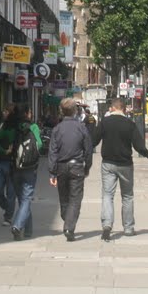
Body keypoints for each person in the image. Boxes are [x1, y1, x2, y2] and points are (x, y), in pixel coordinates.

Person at [92, 96, 148, 241]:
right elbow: (139, 146)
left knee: (108, 195)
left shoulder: (105, 122)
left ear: (113, 108)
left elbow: (93, 140)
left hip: (108, 163)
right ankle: (128, 228)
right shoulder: (130, 124)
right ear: (123, 109)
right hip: (125, 164)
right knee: (127, 196)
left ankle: (107, 225)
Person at [47, 97, 93, 242]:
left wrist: (52, 172)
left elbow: (52, 151)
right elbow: (88, 150)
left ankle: (67, 219)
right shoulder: (81, 127)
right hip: (77, 166)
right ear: (75, 111)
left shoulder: (57, 129)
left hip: (61, 167)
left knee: (64, 197)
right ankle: (69, 226)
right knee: (75, 198)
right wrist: (87, 166)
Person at [5, 104, 42, 241]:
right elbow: (39, 144)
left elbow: (5, 141)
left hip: (15, 167)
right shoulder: (33, 127)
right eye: (30, 111)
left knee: (22, 199)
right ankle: (17, 226)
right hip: (30, 168)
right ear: (27, 113)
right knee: (26, 199)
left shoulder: (12, 127)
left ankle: (28, 231)